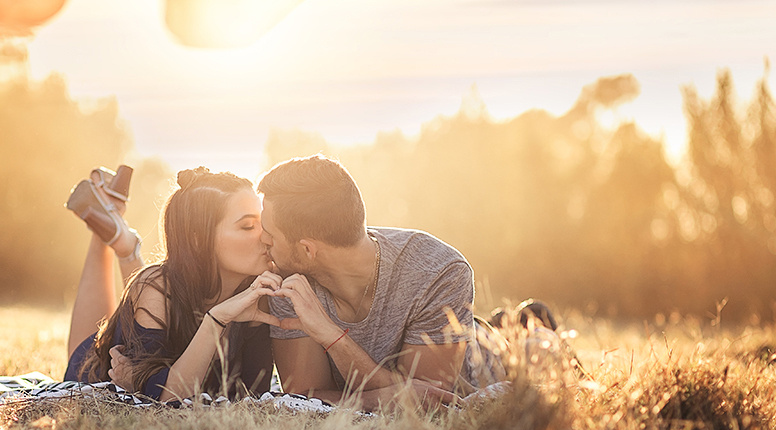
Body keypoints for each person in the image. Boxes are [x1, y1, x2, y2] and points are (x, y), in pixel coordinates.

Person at [258, 154, 513, 408]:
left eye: (269, 235)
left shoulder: (438, 272)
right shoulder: (289, 281)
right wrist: (385, 396)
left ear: (307, 250)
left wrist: (332, 336)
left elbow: (429, 402)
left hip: (483, 357)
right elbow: (304, 398)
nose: (262, 240)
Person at [63, 166, 281, 402]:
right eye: (248, 226)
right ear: (198, 239)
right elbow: (165, 398)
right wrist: (217, 319)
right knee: (92, 348)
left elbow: (251, 394)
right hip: (90, 371)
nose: (266, 236)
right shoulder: (156, 289)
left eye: (263, 222)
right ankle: (116, 240)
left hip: (150, 310)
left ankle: (122, 240)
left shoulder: (258, 292)